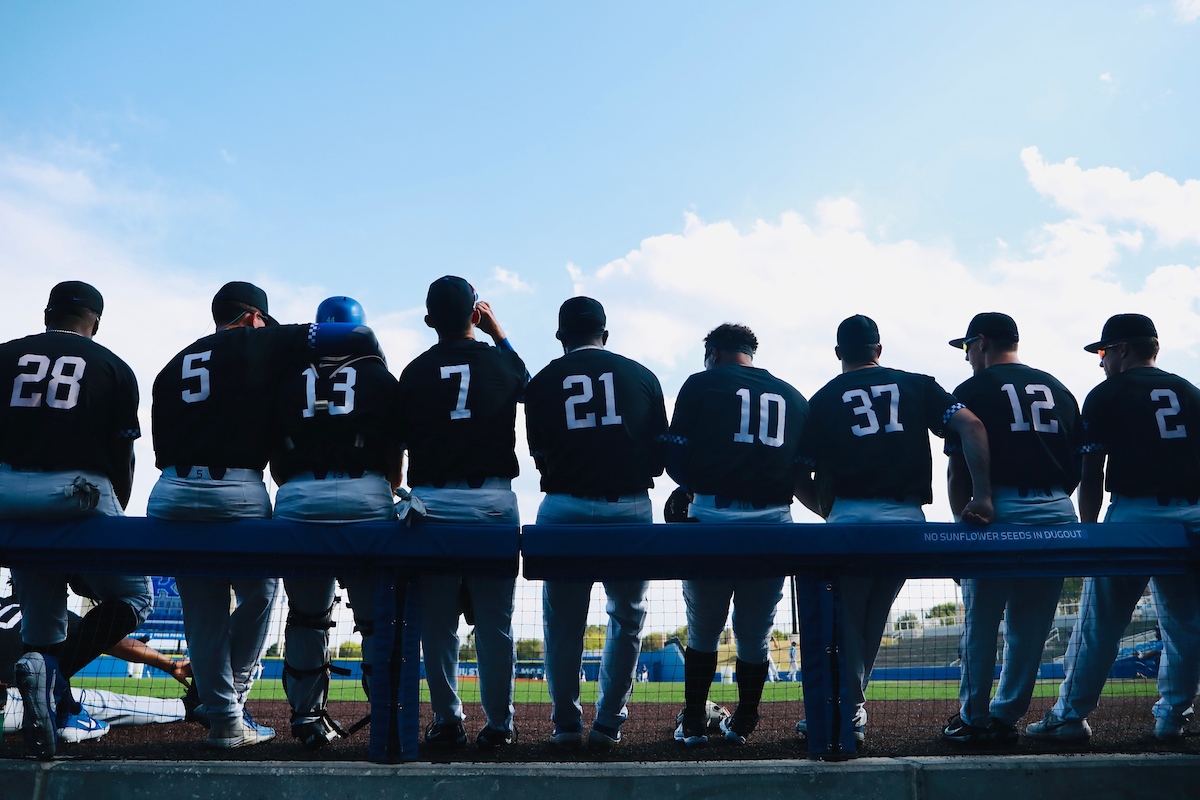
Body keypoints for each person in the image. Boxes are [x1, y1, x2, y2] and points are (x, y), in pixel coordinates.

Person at [149, 281, 380, 749]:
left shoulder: (175, 362)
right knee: (261, 590)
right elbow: (354, 338)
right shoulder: (258, 338)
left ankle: (225, 719)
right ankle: (231, 699)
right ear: (255, 317)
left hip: (170, 491)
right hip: (235, 489)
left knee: (202, 612)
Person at [794, 314, 993, 745]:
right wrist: (982, 495)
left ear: (838, 354)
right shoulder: (915, 383)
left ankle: (842, 712)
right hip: (906, 523)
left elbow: (797, 476)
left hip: (849, 520)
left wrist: (827, 512)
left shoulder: (823, 398)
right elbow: (972, 425)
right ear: (878, 351)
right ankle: (850, 706)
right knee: (872, 619)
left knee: (844, 624)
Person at [1027, 314, 1200, 742]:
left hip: (1135, 519)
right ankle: (1172, 718)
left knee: (1099, 623)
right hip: (1194, 516)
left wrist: (1089, 531)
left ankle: (1070, 717)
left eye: (1103, 352)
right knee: (1186, 626)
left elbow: (1092, 470)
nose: (1101, 361)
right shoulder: (1190, 391)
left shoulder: (1108, 393)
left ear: (1122, 348)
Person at [0, 281, 152, 759]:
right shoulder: (111, 364)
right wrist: (113, 520)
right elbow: (121, 454)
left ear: (46, 314)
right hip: (77, 493)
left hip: (5, 492)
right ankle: (55, 675)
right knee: (134, 595)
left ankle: (46, 693)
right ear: (96, 322)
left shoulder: (3, 355)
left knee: (40, 628)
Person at [524, 297, 668, 750]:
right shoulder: (642, 375)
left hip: (562, 508)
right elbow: (660, 459)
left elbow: (539, 455)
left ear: (562, 337)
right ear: (605, 334)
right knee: (627, 618)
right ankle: (608, 724)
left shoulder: (545, 380)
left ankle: (566, 724)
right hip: (628, 508)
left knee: (562, 623)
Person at [940, 313, 1082, 744]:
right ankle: (1006, 714)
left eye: (966, 347)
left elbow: (957, 469)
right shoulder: (1057, 387)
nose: (966, 357)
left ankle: (974, 718)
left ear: (981, 342)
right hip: (1058, 507)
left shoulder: (972, 389)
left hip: (998, 510)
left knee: (981, 622)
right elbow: (1078, 462)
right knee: (1032, 625)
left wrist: (960, 526)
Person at [398, 276, 527, 750]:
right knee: (495, 626)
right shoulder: (500, 360)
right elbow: (529, 386)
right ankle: (499, 726)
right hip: (492, 503)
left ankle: (448, 721)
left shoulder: (413, 371)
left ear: (430, 319)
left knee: (437, 626)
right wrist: (499, 333)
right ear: (476, 313)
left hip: (431, 505)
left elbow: (398, 440)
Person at [666, 323, 809, 746]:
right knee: (755, 632)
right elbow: (802, 468)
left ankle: (694, 721)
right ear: (751, 352)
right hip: (773, 522)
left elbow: (674, 456)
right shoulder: (792, 395)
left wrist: (692, 484)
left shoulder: (702, 383)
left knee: (704, 630)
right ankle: (744, 721)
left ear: (712, 352)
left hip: (713, 515)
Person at [270, 296, 401, 750]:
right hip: (365, 493)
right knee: (376, 621)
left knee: (307, 618)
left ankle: (306, 720)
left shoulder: (285, 375)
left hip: (299, 496)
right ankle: (386, 718)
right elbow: (394, 459)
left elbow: (276, 466)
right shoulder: (380, 374)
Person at [1, 588, 193, 738]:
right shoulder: (48, 613)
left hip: (10, 706)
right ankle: (185, 707)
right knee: (96, 701)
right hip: (14, 705)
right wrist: (170, 665)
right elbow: (118, 644)